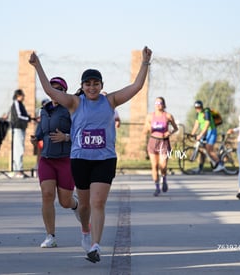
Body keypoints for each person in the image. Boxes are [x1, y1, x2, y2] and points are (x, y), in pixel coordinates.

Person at [29, 46, 152, 263]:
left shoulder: (110, 101)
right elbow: (49, 90)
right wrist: (37, 65)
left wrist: (144, 62)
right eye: (88, 84)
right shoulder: (75, 103)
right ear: (83, 87)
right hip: (80, 160)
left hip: (104, 160)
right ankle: (85, 232)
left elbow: (136, 87)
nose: (92, 87)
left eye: (96, 83)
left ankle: (95, 245)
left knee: (98, 202)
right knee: (84, 205)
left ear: (102, 86)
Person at [30, 76, 80, 248]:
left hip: (66, 160)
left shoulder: (71, 109)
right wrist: (34, 138)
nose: (54, 91)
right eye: (52, 88)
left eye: (58, 88)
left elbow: (81, 134)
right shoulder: (44, 110)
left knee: (65, 202)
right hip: (47, 160)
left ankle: (75, 204)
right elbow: (40, 132)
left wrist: (65, 137)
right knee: (47, 195)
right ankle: (50, 236)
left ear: (64, 92)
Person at [143, 96, 178, 196]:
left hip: (164, 142)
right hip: (153, 142)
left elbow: (175, 128)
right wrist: (147, 128)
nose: (158, 105)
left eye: (160, 103)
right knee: (154, 166)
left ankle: (164, 179)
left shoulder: (168, 116)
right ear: (154, 105)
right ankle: (157, 187)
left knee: (163, 165)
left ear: (164, 104)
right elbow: (145, 130)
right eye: (157, 103)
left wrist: (169, 132)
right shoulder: (150, 116)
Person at [190, 100, 225, 173]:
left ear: (202, 107)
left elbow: (207, 124)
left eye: (199, 107)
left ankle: (220, 165)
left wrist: (200, 135)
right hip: (205, 132)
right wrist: (192, 134)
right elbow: (196, 124)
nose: (198, 109)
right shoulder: (198, 114)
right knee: (202, 150)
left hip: (211, 131)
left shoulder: (206, 112)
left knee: (209, 149)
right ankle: (200, 168)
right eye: (196, 108)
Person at [10, 89, 32, 178]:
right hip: (17, 128)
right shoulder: (16, 103)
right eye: (22, 95)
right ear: (18, 95)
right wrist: (28, 118)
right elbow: (19, 116)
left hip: (21, 128)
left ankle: (19, 169)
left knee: (20, 149)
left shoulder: (20, 104)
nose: (24, 97)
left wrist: (29, 118)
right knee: (18, 149)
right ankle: (18, 170)